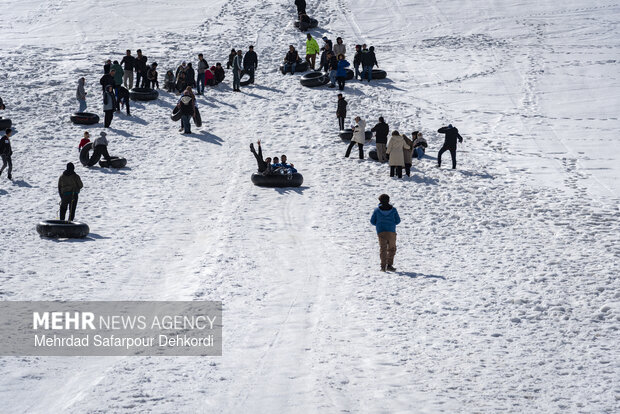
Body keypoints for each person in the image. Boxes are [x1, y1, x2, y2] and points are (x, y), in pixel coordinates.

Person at [370, 194, 401, 272]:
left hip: (381, 231)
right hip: (391, 231)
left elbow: (372, 221)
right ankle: (389, 265)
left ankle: (383, 267)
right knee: (392, 248)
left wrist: (379, 224)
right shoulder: (393, 210)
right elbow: (398, 221)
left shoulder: (377, 210)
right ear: (388, 200)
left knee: (383, 249)